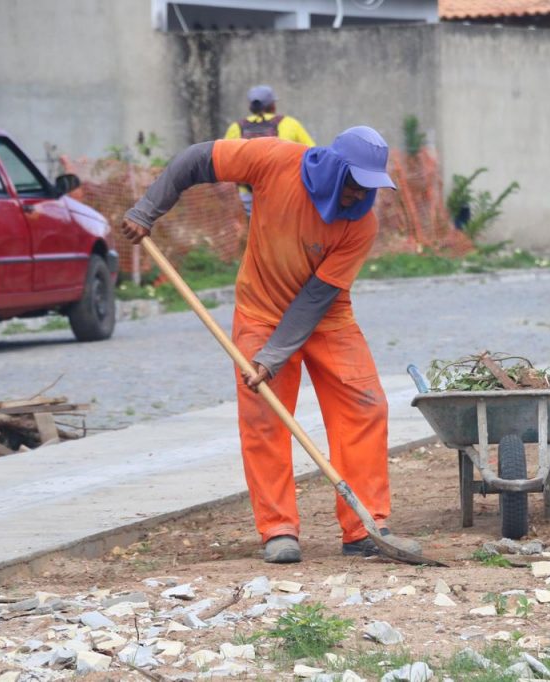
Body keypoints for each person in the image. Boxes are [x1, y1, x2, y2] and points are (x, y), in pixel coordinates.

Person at [120, 127, 419, 564]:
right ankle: (278, 529)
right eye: (355, 183)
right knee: (264, 415)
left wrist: (274, 355)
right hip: (260, 313)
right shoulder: (274, 160)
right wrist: (147, 209)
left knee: (365, 405)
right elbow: (197, 159)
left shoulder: (362, 224)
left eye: (370, 187)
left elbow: (317, 297)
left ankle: (365, 527)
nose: (361, 195)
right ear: (335, 169)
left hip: (327, 316)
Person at [224, 84, 315, 217]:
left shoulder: (236, 127)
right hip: (282, 194)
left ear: (251, 107)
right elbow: (312, 153)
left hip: (245, 196)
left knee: (249, 227)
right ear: (273, 105)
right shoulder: (290, 123)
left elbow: (225, 160)